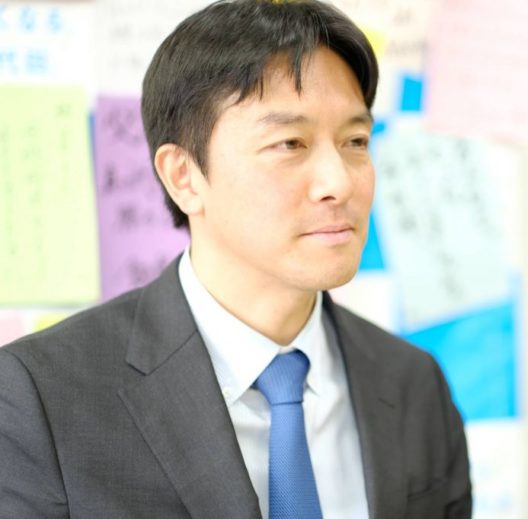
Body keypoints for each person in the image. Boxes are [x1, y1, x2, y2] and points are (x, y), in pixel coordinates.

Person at [0, 1, 471, 518]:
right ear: (183, 176)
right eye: (290, 143)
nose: (339, 182)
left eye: (355, 141)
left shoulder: (414, 384)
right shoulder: (41, 396)